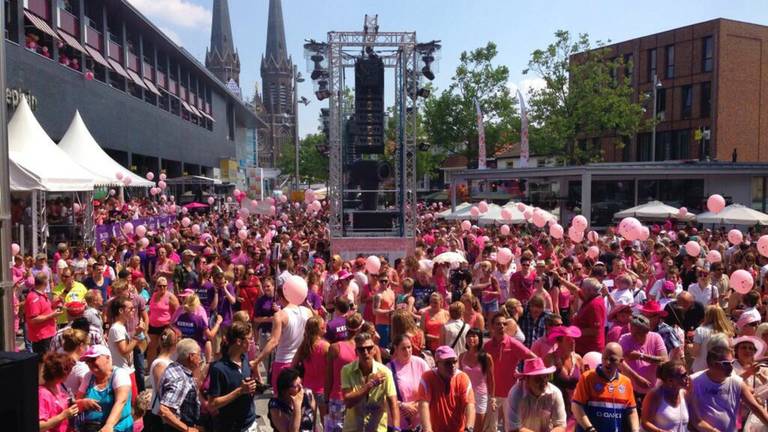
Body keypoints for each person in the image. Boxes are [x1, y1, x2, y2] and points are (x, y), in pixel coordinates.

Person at [690, 345, 768, 431]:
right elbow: (692, 418)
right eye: (726, 364)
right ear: (712, 364)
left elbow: (756, 408)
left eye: (732, 362)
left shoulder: (736, 382)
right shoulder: (694, 382)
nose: (731, 367)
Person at [252, 286, 313, 391]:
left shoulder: (280, 315)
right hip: (302, 361)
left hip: (283, 362)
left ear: (281, 297)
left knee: (281, 400)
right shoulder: (308, 312)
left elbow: (274, 341)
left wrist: (257, 360)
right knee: (300, 397)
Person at [484, 311, 536, 432]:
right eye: (498, 324)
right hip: (492, 393)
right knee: (490, 429)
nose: (501, 326)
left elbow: (533, 357)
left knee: (511, 428)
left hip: (511, 393)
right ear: (492, 327)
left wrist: (524, 375)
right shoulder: (487, 347)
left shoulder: (513, 344)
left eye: (504, 324)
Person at [572, 342, 640, 432]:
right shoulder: (587, 378)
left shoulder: (626, 382)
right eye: (604, 358)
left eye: (612, 360)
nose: (607, 363)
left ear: (621, 361)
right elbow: (576, 406)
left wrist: (635, 430)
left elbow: (631, 411)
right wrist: (589, 428)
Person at [340, 332, 400, 432]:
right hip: (353, 428)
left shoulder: (385, 372)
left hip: (377, 429)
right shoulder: (347, 370)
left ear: (374, 350)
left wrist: (396, 428)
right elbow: (348, 402)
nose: (366, 352)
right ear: (356, 352)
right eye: (361, 349)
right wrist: (370, 384)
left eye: (369, 348)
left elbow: (393, 403)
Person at [207, 321, 259, 432]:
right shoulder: (218, 369)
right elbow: (212, 405)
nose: (252, 342)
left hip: (250, 423)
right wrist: (240, 391)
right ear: (239, 341)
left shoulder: (244, 358)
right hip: (230, 427)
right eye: (249, 339)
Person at [416, 345, 476, 432]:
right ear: (437, 364)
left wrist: (469, 429)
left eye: (454, 362)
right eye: (447, 363)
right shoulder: (428, 378)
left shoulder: (462, 378)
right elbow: (423, 405)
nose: (452, 366)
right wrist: (427, 430)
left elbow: (469, 405)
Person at [77, 345, 134, 432]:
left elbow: (121, 401)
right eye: (87, 361)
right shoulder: (88, 377)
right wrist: (83, 403)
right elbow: (77, 402)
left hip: (117, 428)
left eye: (93, 359)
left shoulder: (120, 374)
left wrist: (109, 425)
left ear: (107, 358)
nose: (90, 364)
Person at [618, 313, 668, 410]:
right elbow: (620, 362)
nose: (634, 336)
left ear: (646, 331)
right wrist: (636, 378)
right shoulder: (625, 339)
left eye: (638, 333)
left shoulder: (655, 337)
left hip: (652, 389)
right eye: (632, 331)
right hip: (630, 389)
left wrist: (640, 356)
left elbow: (664, 360)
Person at [504, 357, 567, 432]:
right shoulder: (516, 394)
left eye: (545, 377)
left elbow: (560, 425)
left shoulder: (555, 393)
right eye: (538, 379)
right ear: (526, 379)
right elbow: (514, 429)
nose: (543, 382)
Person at [325, 313, 363, 432]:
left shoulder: (335, 347)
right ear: (360, 327)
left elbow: (328, 377)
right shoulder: (367, 349)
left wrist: (326, 399)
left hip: (337, 397)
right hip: (359, 396)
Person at [156, 338, 204, 432]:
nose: (201, 358)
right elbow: (164, 410)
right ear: (191, 356)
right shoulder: (181, 380)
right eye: (199, 355)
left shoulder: (173, 368)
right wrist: (187, 429)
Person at [387, 333, 430, 431]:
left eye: (409, 347)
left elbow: (430, 388)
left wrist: (417, 404)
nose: (407, 351)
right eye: (403, 348)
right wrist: (402, 405)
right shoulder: (388, 369)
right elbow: (384, 396)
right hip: (398, 424)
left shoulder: (421, 363)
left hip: (420, 422)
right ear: (396, 349)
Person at [107, 295, 144, 400]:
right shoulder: (117, 329)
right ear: (121, 310)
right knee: (131, 405)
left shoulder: (121, 327)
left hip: (127, 370)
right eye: (131, 309)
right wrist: (136, 336)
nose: (133, 311)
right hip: (123, 372)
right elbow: (124, 351)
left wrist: (137, 335)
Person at [292, 315, 329, 419]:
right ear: (319, 329)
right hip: (323, 388)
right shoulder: (326, 346)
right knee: (325, 419)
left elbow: (293, 364)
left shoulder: (304, 345)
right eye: (323, 326)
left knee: (309, 419)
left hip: (307, 387)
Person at [458, 328, 494, 432]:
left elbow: (491, 379)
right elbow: (460, 378)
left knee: (478, 428)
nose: (471, 338)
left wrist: (492, 398)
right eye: (469, 336)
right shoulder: (461, 356)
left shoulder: (486, 357)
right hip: (465, 395)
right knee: (464, 427)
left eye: (474, 336)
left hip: (480, 396)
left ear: (480, 339)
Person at [38, 352, 83, 432]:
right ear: (63, 373)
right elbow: (40, 426)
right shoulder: (43, 394)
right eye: (69, 371)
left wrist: (83, 403)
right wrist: (63, 416)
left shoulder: (56, 386)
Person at [640, 360, 689, 432]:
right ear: (670, 381)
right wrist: (660, 431)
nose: (687, 377)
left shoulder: (684, 394)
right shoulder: (654, 395)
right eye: (683, 375)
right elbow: (645, 423)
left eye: (686, 373)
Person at [146, 328, 178, 432]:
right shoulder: (160, 364)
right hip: (160, 414)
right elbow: (162, 391)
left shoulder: (168, 361)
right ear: (174, 344)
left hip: (166, 413)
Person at [268, 367, 317, 432]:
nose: (301, 388)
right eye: (296, 386)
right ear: (285, 391)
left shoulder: (308, 395)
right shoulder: (275, 406)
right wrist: (297, 406)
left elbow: (313, 423)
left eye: (301, 383)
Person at [691, 305, 734, 372]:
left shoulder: (700, 330)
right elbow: (731, 351)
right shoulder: (727, 332)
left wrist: (689, 347)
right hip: (720, 370)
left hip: (701, 370)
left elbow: (695, 353)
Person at [26, 273, 62, 353]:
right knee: (44, 362)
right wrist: (52, 315)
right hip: (41, 337)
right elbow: (33, 319)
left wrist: (54, 304)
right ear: (46, 283)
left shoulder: (41, 294)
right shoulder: (34, 297)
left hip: (48, 334)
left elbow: (44, 310)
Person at [147, 276, 179, 366]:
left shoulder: (170, 297)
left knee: (166, 347)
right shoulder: (153, 295)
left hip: (165, 325)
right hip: (153, 325)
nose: (162, 288)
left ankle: (167, 366)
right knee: (151, 347)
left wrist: (172, 325)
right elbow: (151, 309)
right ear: (156, 286)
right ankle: (150, 367)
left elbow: (177, 311)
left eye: (164, 286)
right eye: (160, 286)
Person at [571, 278, 607, 356]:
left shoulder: (595, 305)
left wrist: (575, 331)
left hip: (590, 351)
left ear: (590, 291)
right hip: (583, 348)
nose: (581, 291)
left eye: (583, 289)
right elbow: (575, 290)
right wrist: (561, 280)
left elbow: (595, 330)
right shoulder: (590, 298)